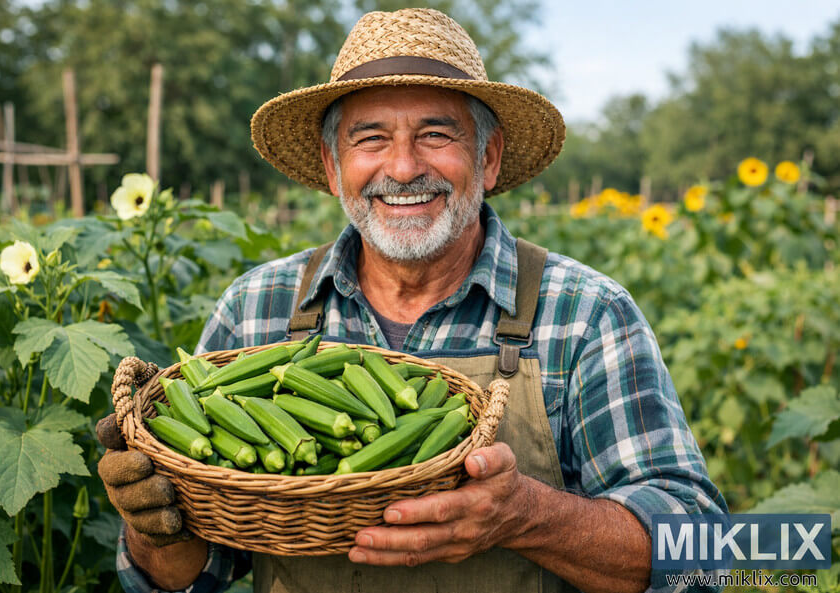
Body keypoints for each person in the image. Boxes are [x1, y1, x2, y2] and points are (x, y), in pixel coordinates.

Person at [97, 8, 727, 593]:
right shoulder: (258, 309)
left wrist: (527, 517)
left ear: (488, 158)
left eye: (435, 134)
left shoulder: (584, 313)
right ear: (332, 164)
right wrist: (156, 527)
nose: (402, 168)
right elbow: (190, 577)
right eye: (369, 138)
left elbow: (703, 556)